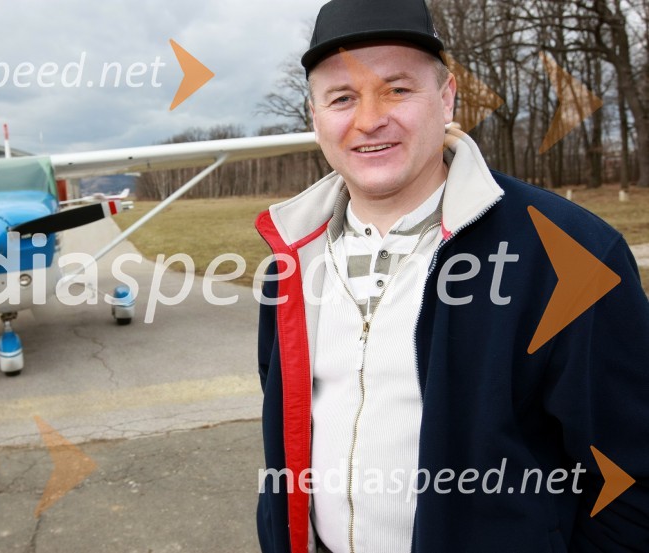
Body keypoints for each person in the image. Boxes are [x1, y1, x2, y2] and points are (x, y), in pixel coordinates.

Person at [254, 0, 649, 551]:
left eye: (397, 89)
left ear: (446, 98)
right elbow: (287, 436)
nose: (369, 120)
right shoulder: (291, 256)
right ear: (314, 117)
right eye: (342, 98)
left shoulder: (571, 252)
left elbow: (630, 479)